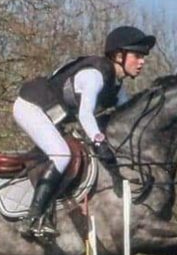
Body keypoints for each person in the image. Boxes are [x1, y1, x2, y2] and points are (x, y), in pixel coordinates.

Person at [12, 25, 156, 239]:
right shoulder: (94, 75)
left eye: (143, 56)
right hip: (30, 106)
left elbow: (129, 117)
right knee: (62, 155)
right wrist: (99, 141)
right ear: (119, 55)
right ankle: (32, 217)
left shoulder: (116, 86)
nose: (142, 61)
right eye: (137, 55)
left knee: (70, 152)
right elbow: (85, 115)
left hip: (50, 114)